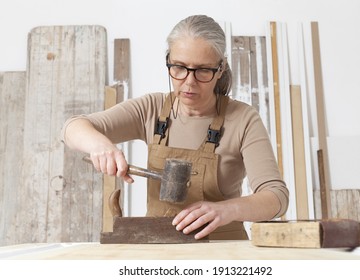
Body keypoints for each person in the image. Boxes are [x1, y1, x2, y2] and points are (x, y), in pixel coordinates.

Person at [62, 15, 289, 240]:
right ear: (169, 61)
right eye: (179, 67)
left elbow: (277, 197)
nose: (189, 82)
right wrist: (100, 145)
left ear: (220, 69)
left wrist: (227, 210)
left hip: (222, 251)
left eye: (202, 70)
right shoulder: (152, 109)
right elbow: (72, 129)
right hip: (159, 249)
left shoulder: (243, 119)